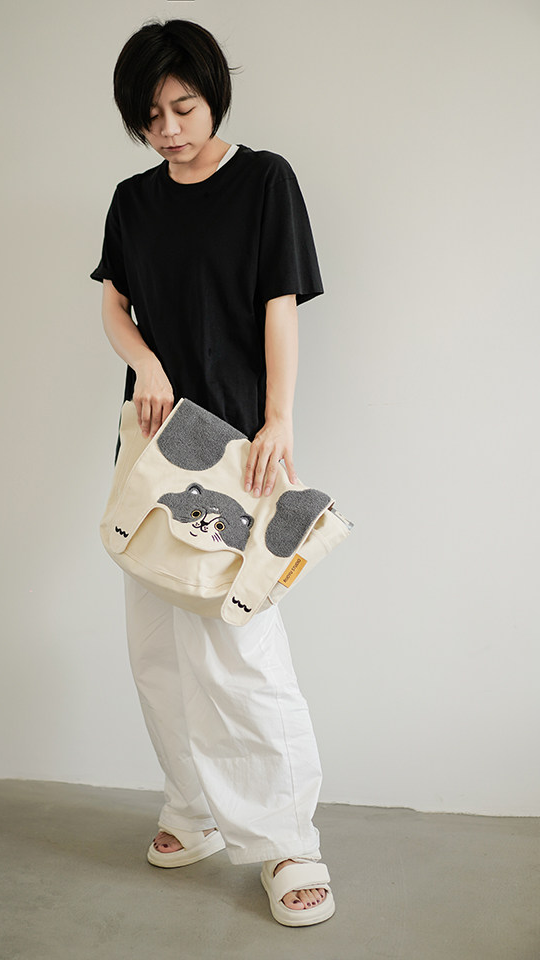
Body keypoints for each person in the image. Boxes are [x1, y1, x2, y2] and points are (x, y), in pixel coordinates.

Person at [90, 18, 334, 927]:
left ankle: (287, 844)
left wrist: (279, 418)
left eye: (183, 108)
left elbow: (280, 306)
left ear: (212, 96)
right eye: (150, 116)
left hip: (234, 446)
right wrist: (147, 363)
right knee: (156, 647)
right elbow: (115, 306)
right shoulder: (132, 200)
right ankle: (191, 811)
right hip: (153, 448)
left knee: (240, 650)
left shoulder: (265, 181)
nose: (168, 130)